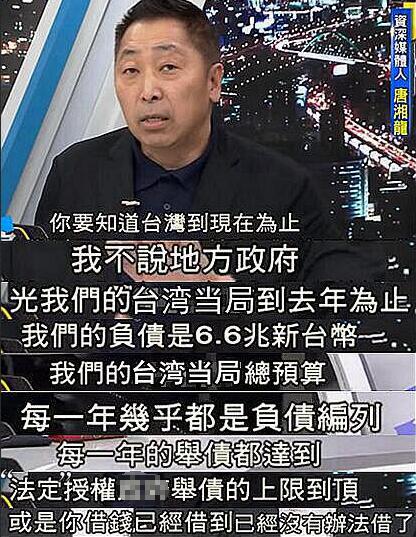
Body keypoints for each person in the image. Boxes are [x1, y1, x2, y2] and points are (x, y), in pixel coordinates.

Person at [34, 0, 382, 283]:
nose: (148, 91)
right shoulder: (75, 173)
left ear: (213, 82)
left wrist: (223, 295)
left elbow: (344, 300)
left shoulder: (282, 187)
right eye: (131, 71)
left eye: (168, 67)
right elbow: (38, 298)